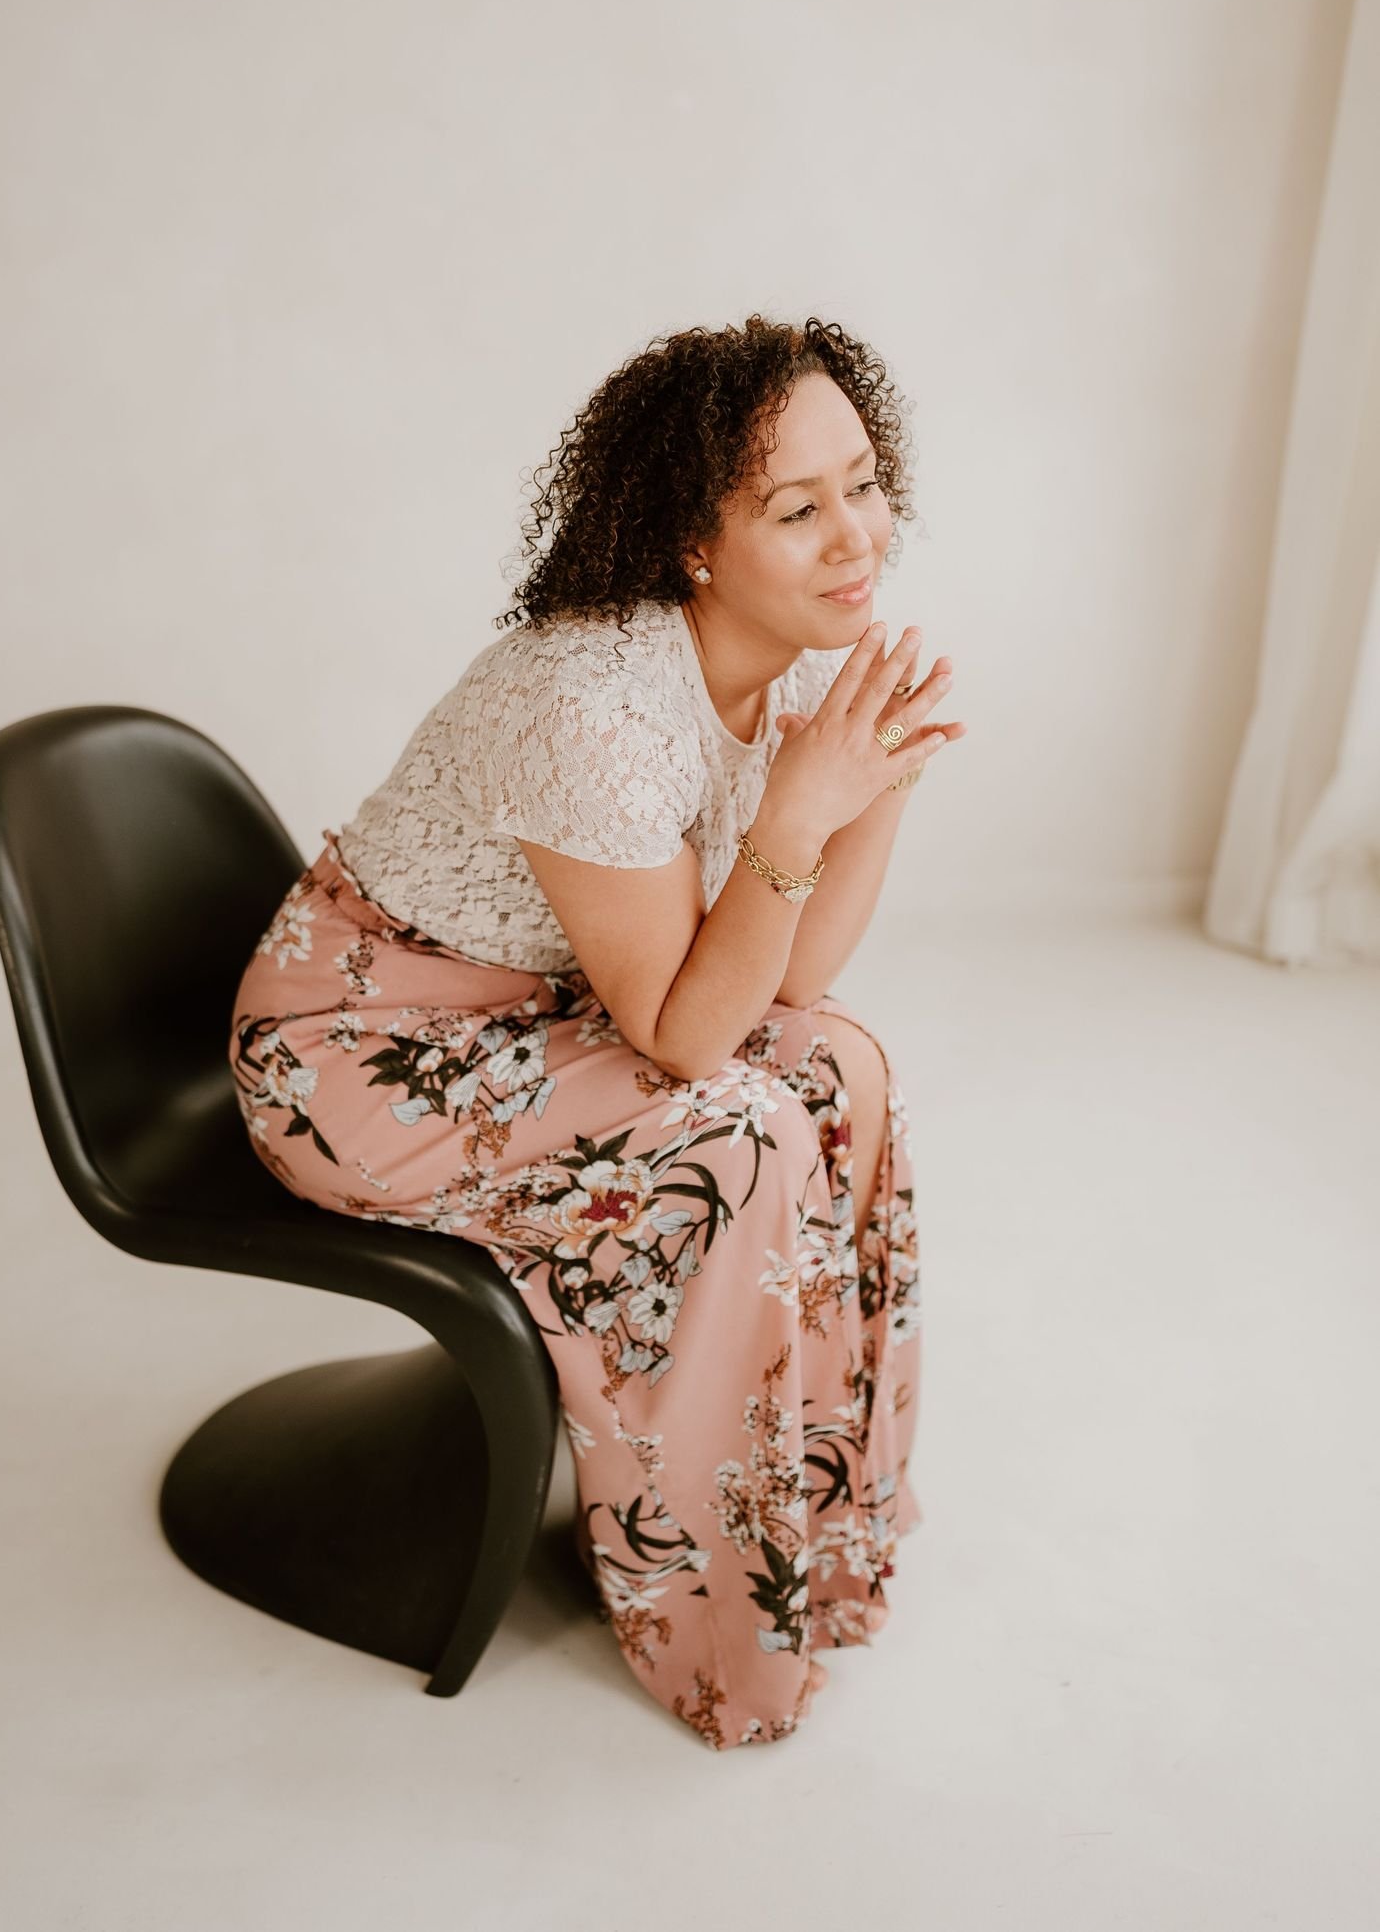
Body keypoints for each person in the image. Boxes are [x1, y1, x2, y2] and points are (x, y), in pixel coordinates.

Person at [227, 312, 965, 1750]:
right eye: (796, 509)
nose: (855, 537)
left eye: (864, 484)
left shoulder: (804, 658)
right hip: (357, 1048)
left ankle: (822, 1531)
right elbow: (691, 1043)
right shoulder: (590, 705)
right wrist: (799, 816)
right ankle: (711, 1619)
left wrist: (875, 782)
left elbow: (794, 985)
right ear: (695, 542)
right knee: (740, 1132)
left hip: (544, 1016)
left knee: (842, 1067)